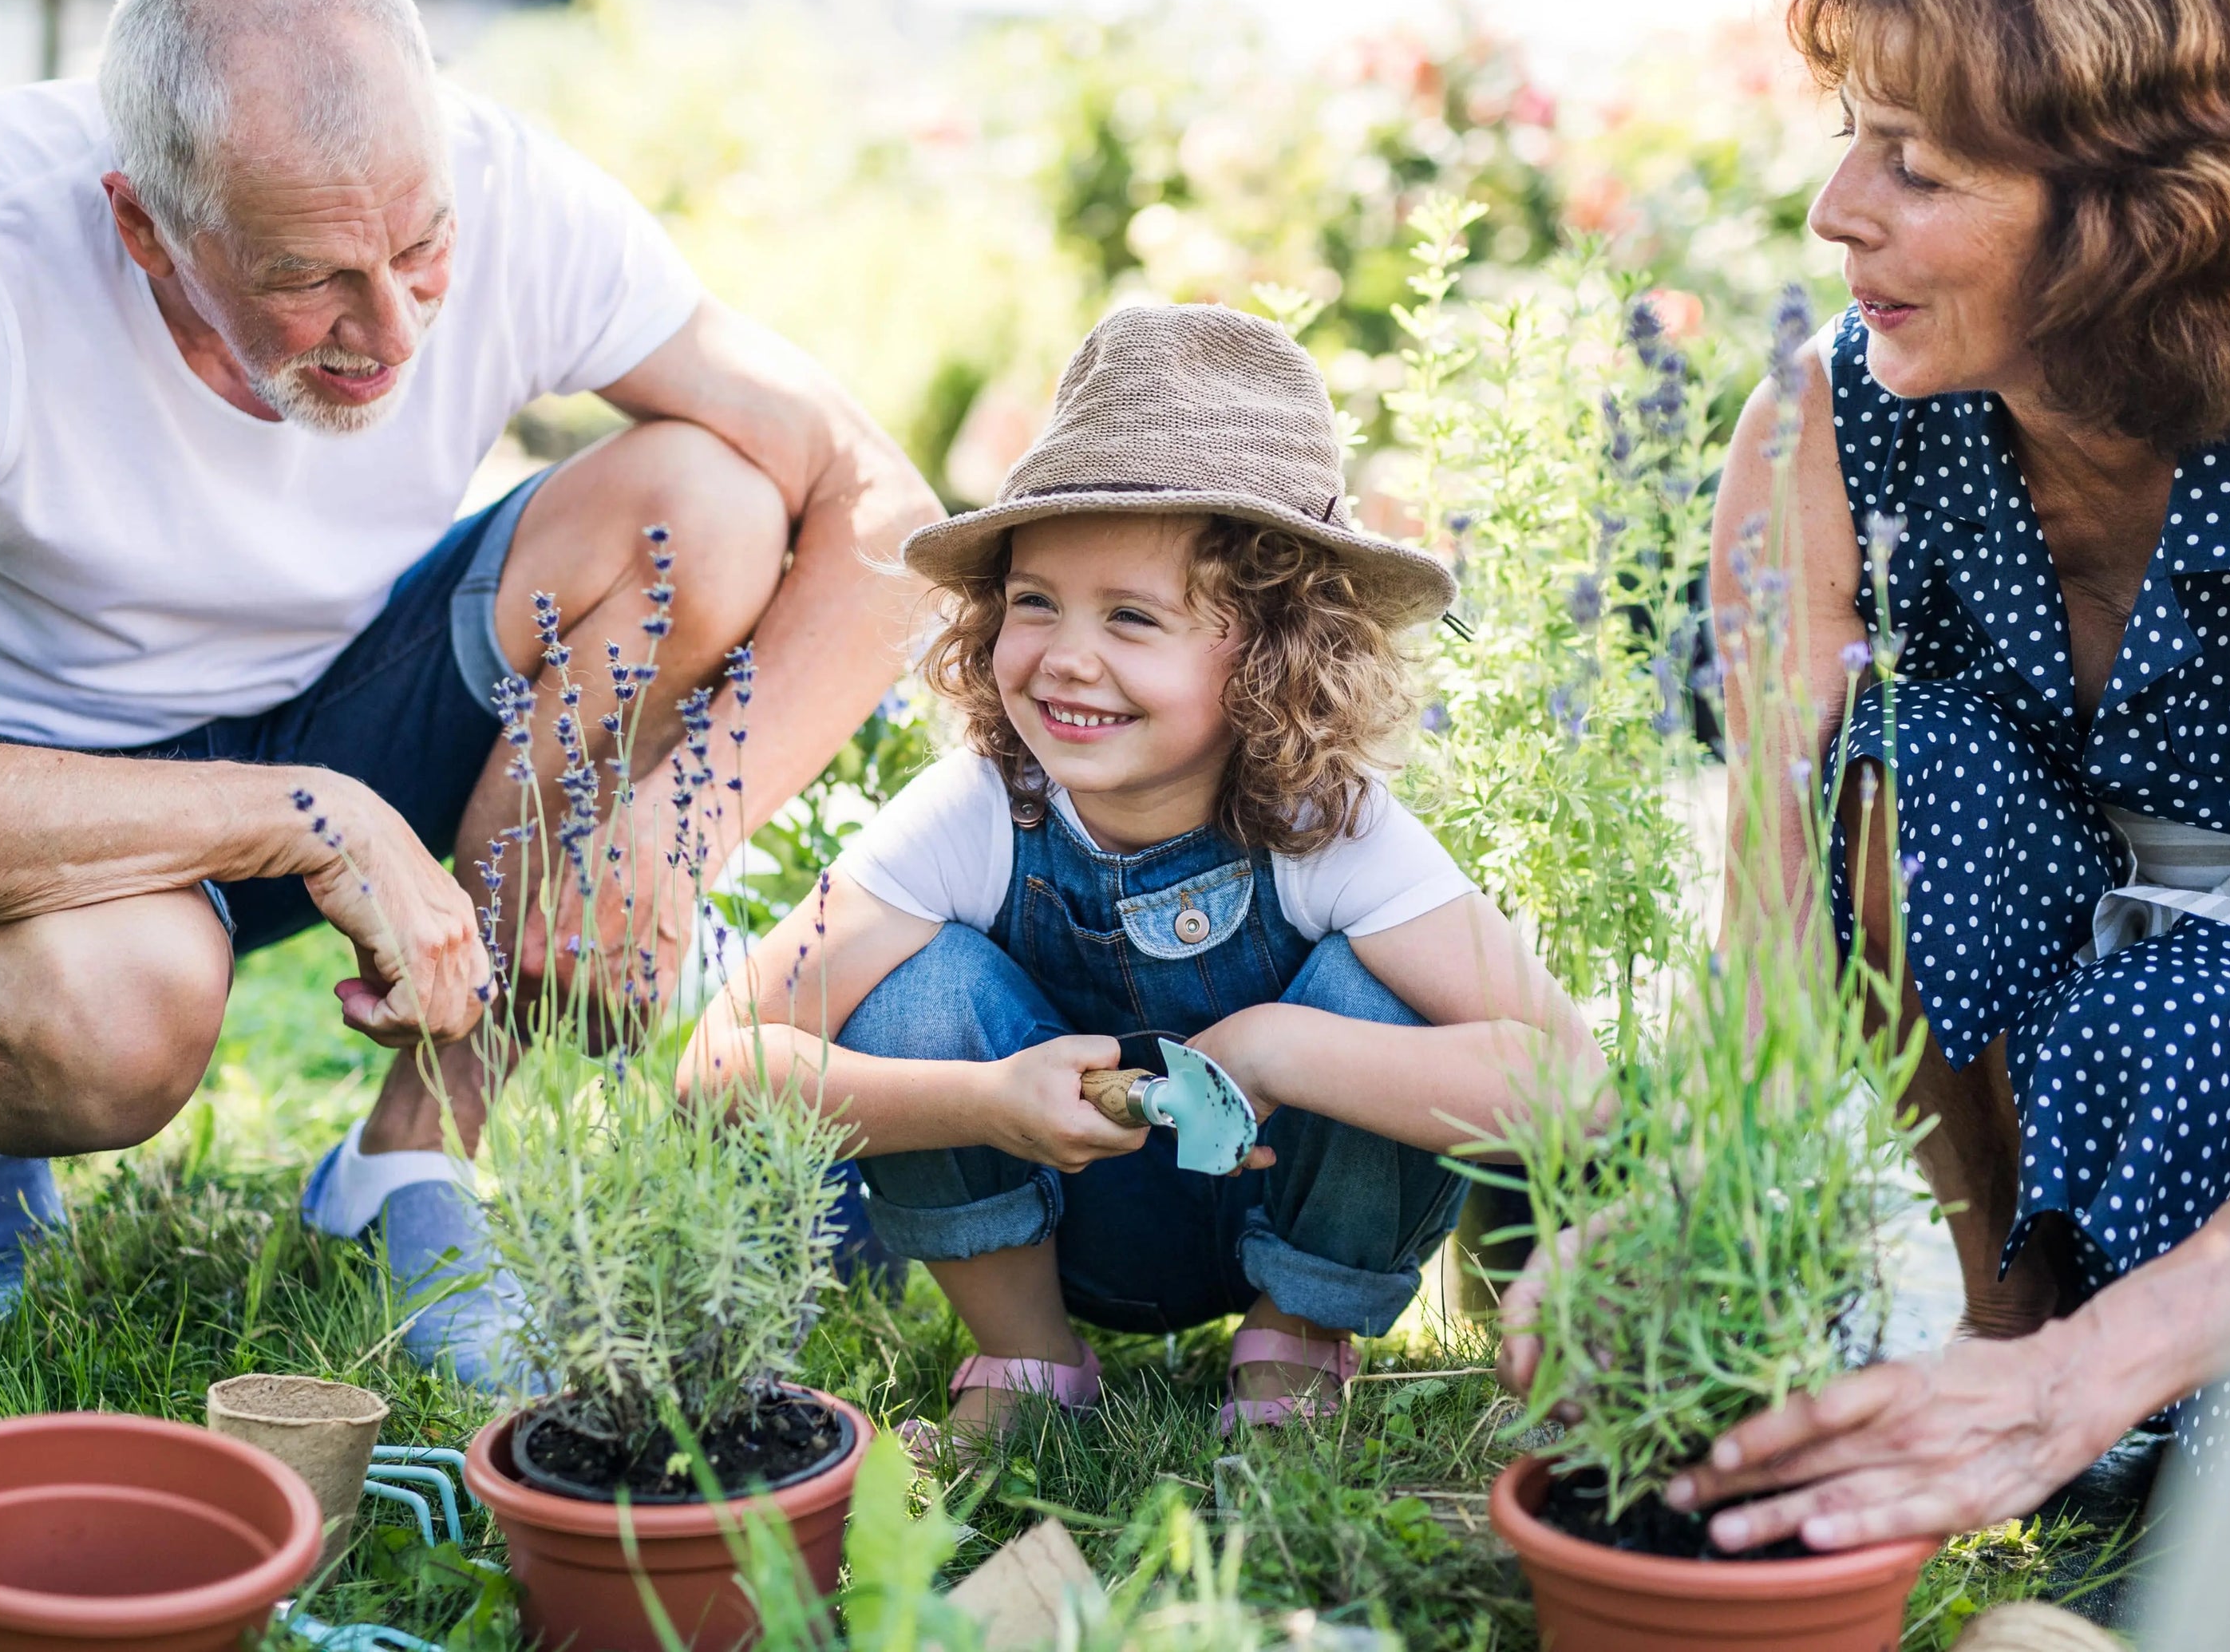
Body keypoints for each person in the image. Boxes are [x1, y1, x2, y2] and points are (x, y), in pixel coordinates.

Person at [1501, 0, 2230, 1548]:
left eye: (1914, 169)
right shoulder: (1827, 423)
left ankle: (2155, 1379)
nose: (1836, 214)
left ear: (2141, 218)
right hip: (2084, 930)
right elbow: (1776, 950)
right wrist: (1665, 1204)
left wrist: (2082, 1389)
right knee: (1900, 778)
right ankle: (2010, 1316)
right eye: (1851, 145)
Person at [0, 0, 935, 1373]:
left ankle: (414, 1163)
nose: (394, 326)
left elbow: (883, 521)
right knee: (120, 1024)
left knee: (710, 511)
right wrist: (306, 820)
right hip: (13, 801)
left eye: (422, 248)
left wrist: (672, 839)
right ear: (144, 223)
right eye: (309, 278)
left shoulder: (514, 193)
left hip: (335, 702)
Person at [683, 305, 1600, 1440]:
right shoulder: (979, 810)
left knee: (1388, 996)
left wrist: (1280, 1048)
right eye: (1034, 603)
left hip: (1279, 1213)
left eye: (1132, 616)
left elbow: (1570, 1084)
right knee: (914, 988)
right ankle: (1031, 1369)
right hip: (1061, 1230)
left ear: (1275, 650)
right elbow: (715, 1066)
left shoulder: (1334, 830)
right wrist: (983, 1103)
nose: (1069, 657)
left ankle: (1292, 1352)